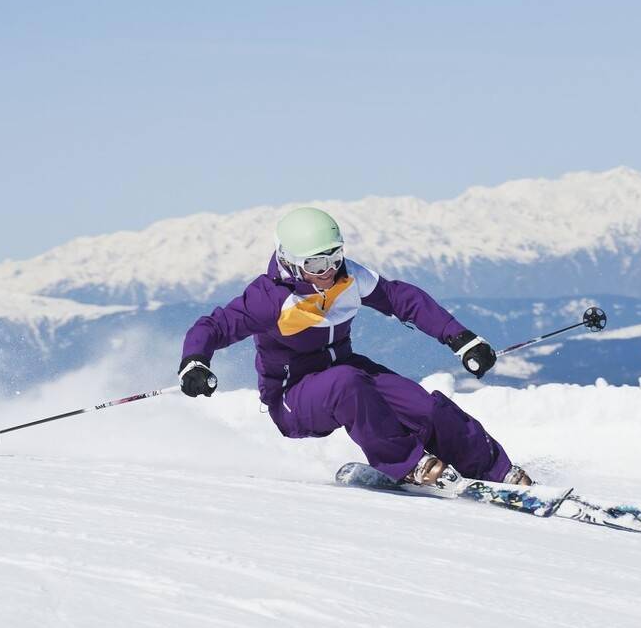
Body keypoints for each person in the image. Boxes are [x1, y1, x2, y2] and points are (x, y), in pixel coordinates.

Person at [177, 206, 530, 495]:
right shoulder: (270, 298)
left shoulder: (350, 277)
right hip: (293, 397)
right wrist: (195, 361)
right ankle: (407, 462)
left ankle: (495, 470)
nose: (328, 271)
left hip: (349, 371)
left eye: (334, 257)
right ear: (289, 260)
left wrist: (461, 338)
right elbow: (215, 326)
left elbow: (401, 299)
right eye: (315, 265)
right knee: (346, 382)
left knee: (422, 405)